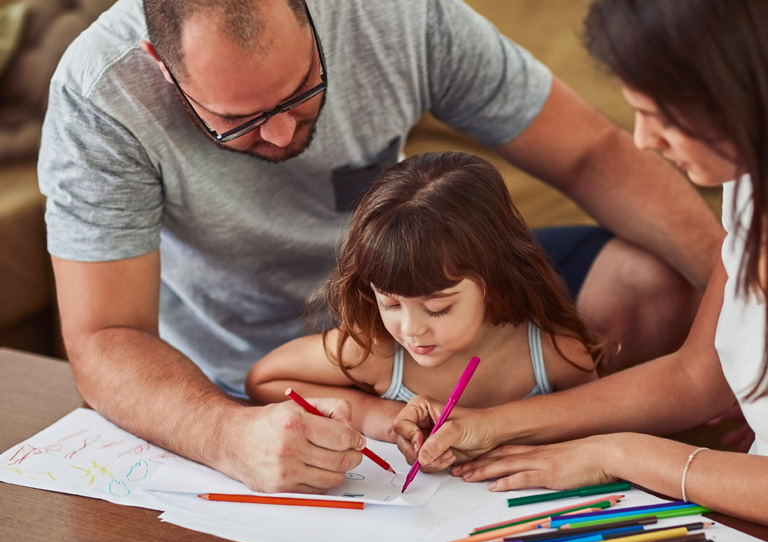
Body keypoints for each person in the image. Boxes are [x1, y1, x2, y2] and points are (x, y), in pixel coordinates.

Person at [38, 0, 721, 493]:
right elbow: (104, 336)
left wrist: (750, 291)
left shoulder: (398, 14)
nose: (278, 138)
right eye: (235, 122)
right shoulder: (101, 93)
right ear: (160, 66)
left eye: (301, 94)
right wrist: (227, 436)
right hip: (254, 361)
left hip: (423, 270)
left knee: (651, 282)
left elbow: (593, 154)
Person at [395, 0, 768, 534]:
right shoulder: (758, 178)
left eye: (660, 116)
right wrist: (492, 424)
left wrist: (616, 454)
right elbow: (696, 378)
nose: (643, 140)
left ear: (741, 90)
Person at [245, 152, 604, 441]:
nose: (411, 329)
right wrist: (376, 415)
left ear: (495, 280)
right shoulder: (376, 352)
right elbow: (264, 380)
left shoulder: (555, 356)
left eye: (437, 308)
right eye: (390, 303)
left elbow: (597, 422)